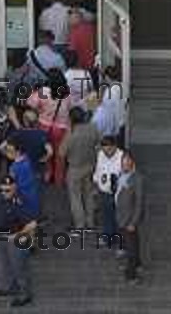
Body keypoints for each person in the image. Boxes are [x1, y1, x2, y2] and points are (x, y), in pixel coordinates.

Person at [0, 176, 36, 306]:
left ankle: (25, 294)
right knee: (6, 264)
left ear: (15, 188)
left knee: (19, 267)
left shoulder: (21, 202)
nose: (5, 193)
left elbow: (32, 224)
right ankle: (12, 287)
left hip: (16, 239)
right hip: (1, 237)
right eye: (3, 190)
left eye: (8, 190)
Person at [59, 106, 100, 235]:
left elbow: (61, 153)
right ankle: (90, 222)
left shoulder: (71, 134)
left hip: (75, 168)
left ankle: (80, 225)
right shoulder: (93, 128)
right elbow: (98, 143)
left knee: (75, 197)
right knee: (88, 194)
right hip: (91, 165)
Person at [26, 70, 71, 186]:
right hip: (61, 129)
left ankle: (48, 174)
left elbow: (30, 103)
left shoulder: (44, 91)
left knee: (47, 152)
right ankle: (59, 179)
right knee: (59, 156)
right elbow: (71, 109)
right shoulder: (67, 93)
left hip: (44, 126)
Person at [115, 150, 145, 283]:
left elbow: (139, 202)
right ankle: (138, 264)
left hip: (129, 219)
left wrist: (133, 222)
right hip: (121, 217)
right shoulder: (121, 175)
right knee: (134, 242)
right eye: (123, 161)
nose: (124, 164)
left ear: (133, 162)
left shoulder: (137, 179)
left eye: (127, 161)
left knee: (130, 248)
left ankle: (131, 274)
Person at [0, 89, 22, 192]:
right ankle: (7, 189)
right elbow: (18, 129)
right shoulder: (7, 110)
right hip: (6, 144)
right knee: (7, 168)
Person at [93, 136, 123, 247]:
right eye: (105, 149)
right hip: (104, 192)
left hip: (118, 193)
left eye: (110, 150)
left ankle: (118, 238)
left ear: (115, 146)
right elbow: (98, 169)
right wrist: (96, 183)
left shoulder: (122, 157)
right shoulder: (101, 154)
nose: (107, 153)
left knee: (118, 217)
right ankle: (107, 237)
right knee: (106, 216)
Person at [10, 107, 52, 183]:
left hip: (24, 167)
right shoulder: (42, 134)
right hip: (37, 168)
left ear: (25, 122)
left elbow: (11, 151)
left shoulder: (20, 134)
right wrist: (44, 159)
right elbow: (50, 152)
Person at [5, 138, 40, 219]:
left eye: (10, 151)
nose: (7, 153)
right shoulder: (28, 159)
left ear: (18, 152)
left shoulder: (14, 167)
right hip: (32, 193)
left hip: (22, 196)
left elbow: (13, 186)